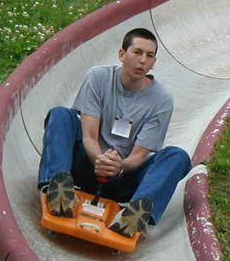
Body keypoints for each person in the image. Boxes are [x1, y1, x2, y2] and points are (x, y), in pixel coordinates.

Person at [37, 27, 192, 237]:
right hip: (87, 163)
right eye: (137, 52)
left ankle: (133, 215)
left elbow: (139, 155)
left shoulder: (162, 100)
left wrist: (118, 167)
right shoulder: (98, 78)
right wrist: (99, 160)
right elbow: (89, 136)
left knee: (177, 156)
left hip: (123, 176)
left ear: (154, 63)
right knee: (61, 114)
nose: (142, 61)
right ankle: (58, 191)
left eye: (149, 56)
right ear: (122, 54)